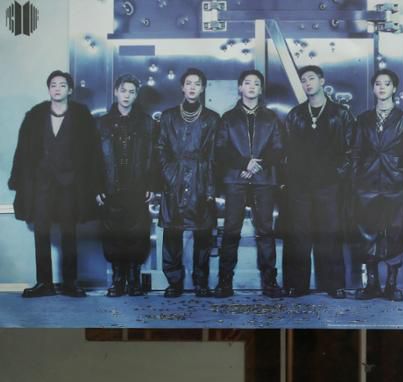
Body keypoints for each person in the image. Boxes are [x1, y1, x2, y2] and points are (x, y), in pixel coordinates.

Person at [8, 70, 99, 298]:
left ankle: (70, 283)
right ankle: (44, 283)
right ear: (49, 89)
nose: (57, 89)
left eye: (62, 85)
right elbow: (22, 149)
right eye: (53, 85)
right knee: (41, 232)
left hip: (70, 185)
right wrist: (17, 180)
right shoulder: (35, 115)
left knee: (69, 233)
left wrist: (96, 184)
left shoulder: (81, 115)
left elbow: (93, 152)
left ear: (70, 90)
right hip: (42, 184)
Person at [282, 65, 355, 299]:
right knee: (299, 236)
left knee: (330, 234)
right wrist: (290, 180)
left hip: (329, 185)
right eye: (303, 80)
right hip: (300, 187)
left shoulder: (341, 113)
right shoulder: (295, 114)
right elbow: (286, 151)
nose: (307, 83)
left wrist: (337, 175)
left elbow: (351, 150)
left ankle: (334, 284)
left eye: (311, 78)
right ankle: (297, 285)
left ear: (322, 81)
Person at [214, 69, 286, 298]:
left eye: (256, 83)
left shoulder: (271, 117)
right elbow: (221, 149)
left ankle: (270, 282)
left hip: (264, 180)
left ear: (261, 89)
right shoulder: (228, 118)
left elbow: (279, 149)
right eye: (247, 82)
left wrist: (256, 166)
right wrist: (244, 163)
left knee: (265, 231)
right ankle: (224, 282)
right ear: (240, 88)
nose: (252, 86)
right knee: (231, 230)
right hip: (235, 179)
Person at [155, 67, 220, 298]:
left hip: (201, 177)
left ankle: (201, 282)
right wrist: (170, 174)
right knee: (172, 233)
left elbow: (214, 155)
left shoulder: (212, 118)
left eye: (197, 84)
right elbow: (160, 148)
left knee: (203, 233)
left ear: (203, 89)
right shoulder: (168, 116)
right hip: (175, 178)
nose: (192, 87)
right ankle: (174, 282)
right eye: (189, 83)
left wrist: (210, 187)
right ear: (182, 87)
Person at [352, 69, 403, 302]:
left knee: (395, 233)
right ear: (373, 88)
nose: (381, 87)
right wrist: (355, 182)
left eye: (386, 83)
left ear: (394, 88)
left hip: (395, 184)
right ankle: (371, 284)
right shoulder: (363, 118)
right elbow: (356, 152)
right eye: (378, 83)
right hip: (367, 184)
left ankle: (391, 285)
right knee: (366, 234)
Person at [95, 74, 155, 297]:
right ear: (115, 92)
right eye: (123, 90)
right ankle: (118, 280)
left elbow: (154, 156)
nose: (126, 95)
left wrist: (151, 184)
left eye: (131, 91)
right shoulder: (101, 123)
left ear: (136, 95)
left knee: (137, 234)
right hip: (111, 187)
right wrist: (97, 187)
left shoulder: (147, 123)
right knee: (113, 235)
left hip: (137, 187)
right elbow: (93, 159)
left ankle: (134, 280)